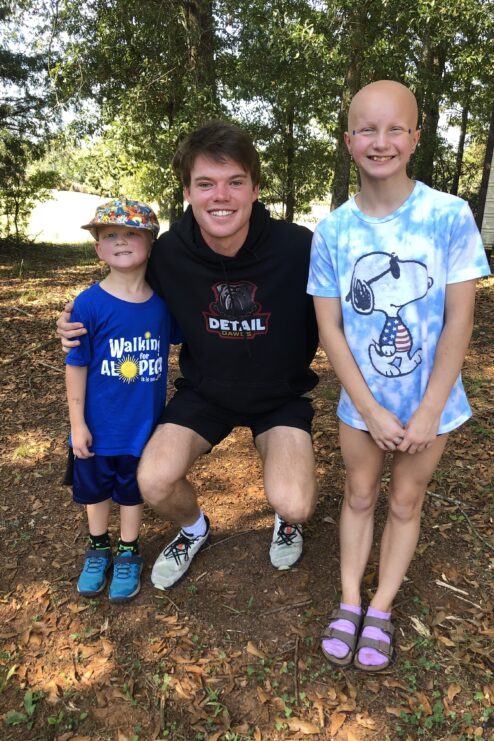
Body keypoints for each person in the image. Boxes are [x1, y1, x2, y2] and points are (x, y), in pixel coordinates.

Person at [58, 121, 320, 591]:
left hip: (280, 395)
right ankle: (194, 528)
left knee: (296, 502)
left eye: (235, 182)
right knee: (152, 480)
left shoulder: (299, 248)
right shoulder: (169, 253)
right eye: (206, 184)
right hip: (206, 393)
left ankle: (288, 521)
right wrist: (76, 324)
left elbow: (345, 315)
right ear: (188, 192)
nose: (221, 196)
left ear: (255, 189)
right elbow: (123, 290)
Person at [308, 79, 490, 671]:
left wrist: (431, 409)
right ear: (348, 140)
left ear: (415, 137)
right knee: (360, 496)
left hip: (429, 405)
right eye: (367, 128)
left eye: (394, 129)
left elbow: (460, 320)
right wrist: (370, 408)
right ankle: (349, 599)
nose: (380, 141)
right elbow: (331, 329)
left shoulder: (449, 216)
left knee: (406, 502)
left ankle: (381, 608)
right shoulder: (332, 231)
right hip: (363, 405)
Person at [66, 198, 180, 602]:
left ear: (150, 243)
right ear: (98, 248)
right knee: (95, 492)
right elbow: (76, 363)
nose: (121, 241)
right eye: (110, 235)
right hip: (98, 428)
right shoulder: (88, 304)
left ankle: (129, 550)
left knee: (131, 491)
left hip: (142, 428)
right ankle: (99, 546)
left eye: (132, 233)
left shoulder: (165, 308)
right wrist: (77, 423)